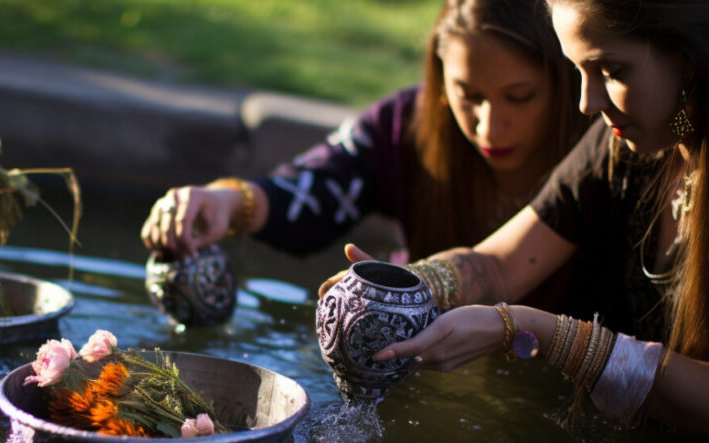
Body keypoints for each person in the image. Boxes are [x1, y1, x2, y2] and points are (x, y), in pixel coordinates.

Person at [361, 0, 709, 435]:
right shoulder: (622, 141)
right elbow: (502, 263)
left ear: (691, 55)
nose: (586, 102)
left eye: (612, 71)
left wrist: (535, 330)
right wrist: (407, 287)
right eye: (578, 70)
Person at [140, 0, 589, 269]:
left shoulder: (598, 150)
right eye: (467, 95)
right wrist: (227, 203)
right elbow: (318, 186)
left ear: (567, 83)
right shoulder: (405, 124)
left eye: (520, 96)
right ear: (439, 81)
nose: (489, 126)